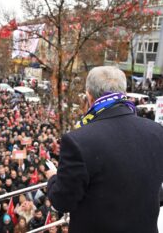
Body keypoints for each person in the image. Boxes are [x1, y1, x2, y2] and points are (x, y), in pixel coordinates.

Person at [46, 66, 163, 233]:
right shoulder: (156, 131)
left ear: (89, 96)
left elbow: (62, 201)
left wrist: (53, 179)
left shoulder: (78, 140)